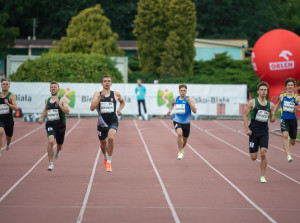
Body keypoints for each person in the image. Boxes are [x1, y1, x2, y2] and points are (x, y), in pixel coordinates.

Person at [90, 75, 125, 172]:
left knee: (111, 138)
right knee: (103, 143)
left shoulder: (116, 94)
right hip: (102, 123)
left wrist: (119, 109)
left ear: (111, 83)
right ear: (102, 84)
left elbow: (122, 102)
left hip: (113, 120)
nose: (107, 83)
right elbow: (92, 108)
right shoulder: (97, 94)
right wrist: (100, 98)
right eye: (105, 81)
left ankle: (109, 161)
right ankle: (105, 156)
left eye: (109, 81)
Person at [243, 81, 275, 183]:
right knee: (253, 157)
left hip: (264, 132)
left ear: (267, 91)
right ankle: (257, 159)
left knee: (263, 152)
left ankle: (262, 176)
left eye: (265, 90)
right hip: (253, 132)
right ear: (258, 91)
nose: (263, 92)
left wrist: (273, 118)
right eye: (261, 90)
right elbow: (245, 115)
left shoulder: (270, 105)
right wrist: (247, 129)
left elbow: (271, 117)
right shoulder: (252, 102)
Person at [38, 81, 70, 171]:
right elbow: (45, 109)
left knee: (59, 145)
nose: (53, 88)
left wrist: (59, 105)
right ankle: (51, 164)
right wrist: (41, 117)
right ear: (49, 89)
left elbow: (67, 111)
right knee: (51, 141)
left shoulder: (63, 99)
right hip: (50, 123)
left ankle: (58, 150)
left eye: (55, 87)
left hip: (60, 125)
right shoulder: (47, 100)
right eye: (51, 87)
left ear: (58, 89)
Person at [167, 84, 197, 160]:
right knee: (179, 134)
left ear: (186, 91)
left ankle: (181, 149)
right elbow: (171, 104)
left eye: (184, 90)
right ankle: (180, 152)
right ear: (179, 91)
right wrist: (169, 111)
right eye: (181, 90)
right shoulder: (175, 98)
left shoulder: (190, 99)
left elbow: (195, 111)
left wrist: (189, 102)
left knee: (185, 139)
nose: (182, 92)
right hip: (177, 120)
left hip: (186, 122)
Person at [273, 78, 300, 162]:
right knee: (285, 135)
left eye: (292, 85)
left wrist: (298, 108)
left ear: (294, 87)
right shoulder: (282, 96)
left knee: (293, 142)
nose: (290, 86)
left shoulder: (297, 97)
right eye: (288, 85)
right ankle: (288, 155)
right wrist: (273, 113)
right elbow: (278, 105)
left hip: (293, 120)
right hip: (284, 119)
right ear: (285, 86)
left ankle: (287, 145)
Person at [0, 78, 18, 157]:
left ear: (9, 86)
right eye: (3, 84)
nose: (5, 85)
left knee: (9, 137)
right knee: (0, 132)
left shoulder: (11, 96)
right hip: (0, 119)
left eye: (7, 84)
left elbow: (15, 108)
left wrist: (9, 104)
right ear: (1, 85)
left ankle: (8, 143)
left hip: (9, 120)